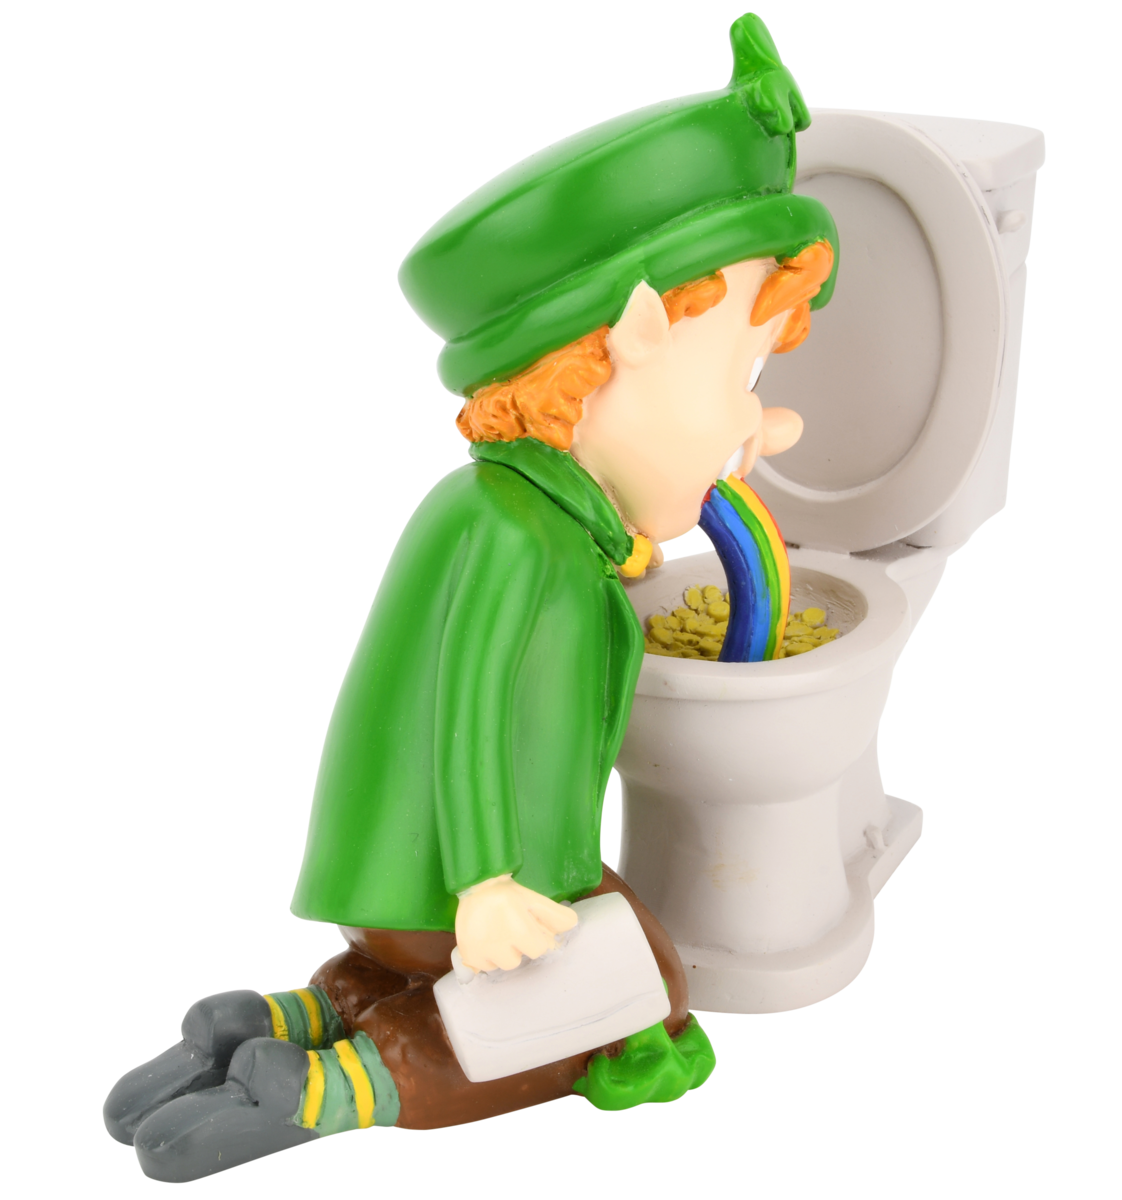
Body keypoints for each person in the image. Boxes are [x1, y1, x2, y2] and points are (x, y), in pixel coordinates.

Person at [101, 11, 837, 1181]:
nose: (764, 424)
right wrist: (489, 882)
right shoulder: (512, 533)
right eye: (738, 376)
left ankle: (310, 1012)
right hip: (461, 880)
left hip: (402, 887)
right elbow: (472, 702)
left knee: (493, 968)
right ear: (636, 335)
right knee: (641, 995)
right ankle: (337, 1089)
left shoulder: (510, 508)